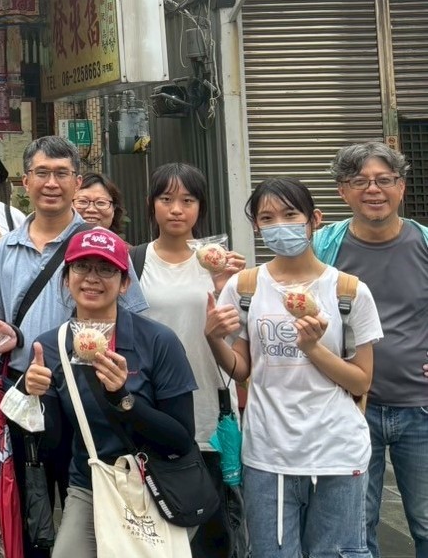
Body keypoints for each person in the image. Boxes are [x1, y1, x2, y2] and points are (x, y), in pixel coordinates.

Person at [0, 136, 147, 558]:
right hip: (24, 391)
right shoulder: (3, 250)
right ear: (25, 180)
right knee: (29, 508)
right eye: (42, 173)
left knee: (92, 507)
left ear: (77, 181)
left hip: (89, 392)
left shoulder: (102, 244)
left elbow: (135, 320)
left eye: (62, 173)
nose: (52, 183)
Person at [207, 177, 381, 558]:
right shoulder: (244, 287)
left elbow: (361, 381)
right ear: (256, 226)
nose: (279, 225)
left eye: (290, 215)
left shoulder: (349, 291)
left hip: (337, 450)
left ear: (314, 219)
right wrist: (214, 339)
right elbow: (242, 370)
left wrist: (313, 348)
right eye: (267, 218)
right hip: (268, 453)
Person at [23, 227, 198, 557]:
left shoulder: (158, 341)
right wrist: (35, 394)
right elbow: (53, 444)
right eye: (81, 266)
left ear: (125, 283)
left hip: (155, 483)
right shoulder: (51, 346)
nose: (92, 278)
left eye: (106, 269)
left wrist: (123, 399)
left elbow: (180, 439)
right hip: (91, 484)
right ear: (66, 278)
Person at [315, 142, 428, 558]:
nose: (373, 189)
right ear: (343, 191)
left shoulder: (424, 243)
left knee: (427, 521)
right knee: (355, 526)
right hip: (349, 407)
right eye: (360, 181)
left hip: (421, 407)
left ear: (401, 187)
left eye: (384, 180)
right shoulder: (323, 246)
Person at [135, 162, 245, 557]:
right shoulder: (134, 262)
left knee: (210, 528)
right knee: (152, 527)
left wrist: (226, 286)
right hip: (150, 410)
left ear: (201, 207)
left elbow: (238, 340)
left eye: (188, 200)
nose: (176, 209)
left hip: (208, 407)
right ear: (152, 205)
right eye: (166, 199)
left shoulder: (217, 263)